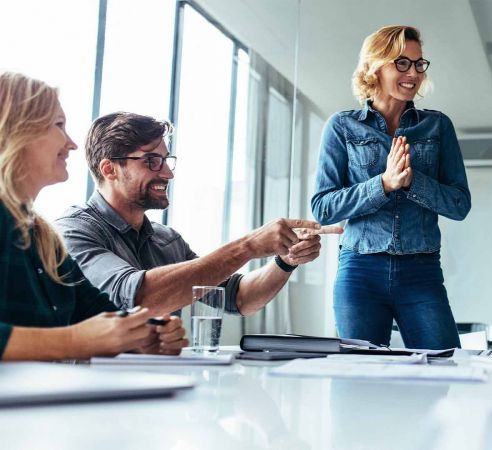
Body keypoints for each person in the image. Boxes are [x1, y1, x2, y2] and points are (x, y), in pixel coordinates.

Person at [55, 112, 342, 317]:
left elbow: (240, 298)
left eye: (167, 160)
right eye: (153, 161)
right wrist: (249, 246)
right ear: (109, 169)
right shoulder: (73, 232)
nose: (167, 172)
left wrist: (285, 261)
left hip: (162, 385)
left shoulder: (167, 241)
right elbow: (140, 298)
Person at [0, 72, 186, 360]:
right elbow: (83, 334)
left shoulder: (43, 238)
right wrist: (73, 340)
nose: (71, 144)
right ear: (17, 131)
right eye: (59, 125)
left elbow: (99, 313)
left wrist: (148, 334)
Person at [311, 25, 471, 349]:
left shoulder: (438, 126)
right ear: (374, 66)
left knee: (446, 369)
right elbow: (323, 208)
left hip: (422, 272)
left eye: (418, 64)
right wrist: (383, 184)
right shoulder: (342, 127)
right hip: (359, 271)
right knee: (360, 380)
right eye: (401, 63)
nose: (413, 73)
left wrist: (414, 183)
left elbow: (459, 204)